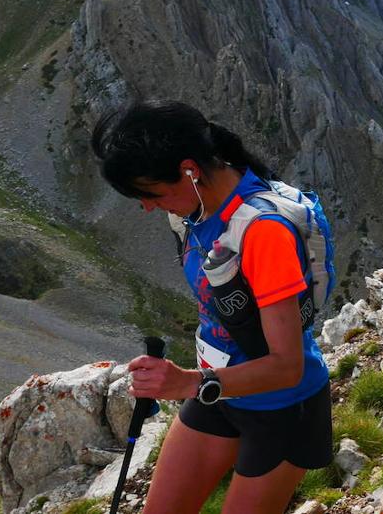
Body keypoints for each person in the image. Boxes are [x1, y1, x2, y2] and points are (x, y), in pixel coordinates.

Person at [91, 101, 331, 514]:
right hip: (218, 393)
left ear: (189, 170)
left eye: (151, 193)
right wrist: (195, 383)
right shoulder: (193, 211)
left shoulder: (263, 233)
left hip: (283, 408)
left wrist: (186, 384)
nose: (148, 207)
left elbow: (286, 366)